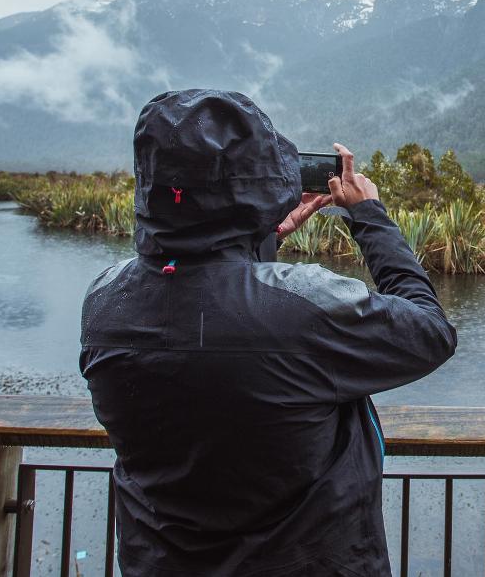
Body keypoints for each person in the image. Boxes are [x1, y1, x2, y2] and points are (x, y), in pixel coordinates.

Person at [80, 89, 457, 576]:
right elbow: (429, 331)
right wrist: (369, 215)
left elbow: (206, 304)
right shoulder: (304, 308)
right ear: (259, 182)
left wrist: (260, 240)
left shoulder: (105, 303)